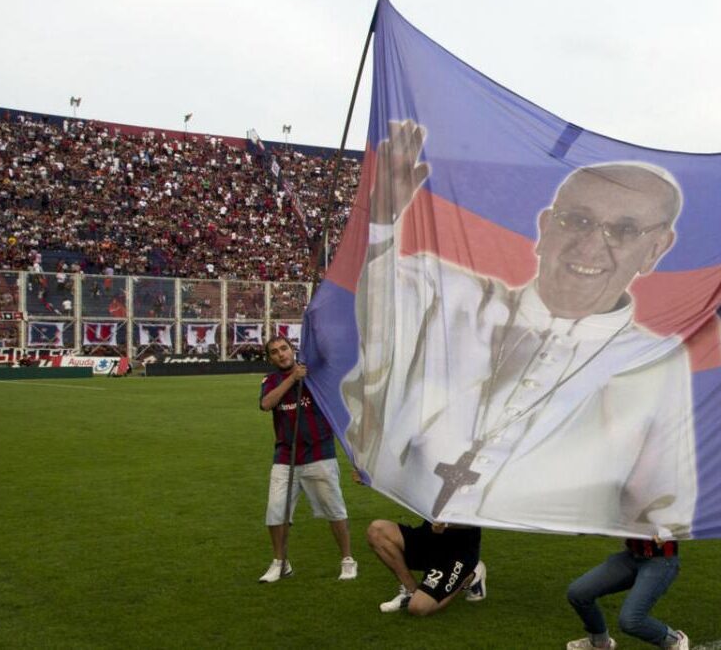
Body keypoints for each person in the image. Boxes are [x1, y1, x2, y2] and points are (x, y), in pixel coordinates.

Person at [341, 119, 697, 538]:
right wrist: (383, 222)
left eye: (624, 230)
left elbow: (661, 506)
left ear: (655, 250)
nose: (591, 246)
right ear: (545, 227)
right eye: (577, 221)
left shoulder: (655, 362)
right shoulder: (452, 296)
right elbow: (378, 314)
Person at [258, 335, 357, 583]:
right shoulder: (271, 380)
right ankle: (280, 563)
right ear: (270, 358)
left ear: (292, 350)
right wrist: (293, 379)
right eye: (275, 352)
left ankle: (347, 559)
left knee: (334, 510)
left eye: (284, 348)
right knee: (275, 512)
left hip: (319, 453)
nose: (281, 354)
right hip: (285, 457)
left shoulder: (315, 375)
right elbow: (267, 404)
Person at [566, 537, 688, 649]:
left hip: (661, 560)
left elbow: (681, 518)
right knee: (578, 593)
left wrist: (668, 531)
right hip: (631, 556)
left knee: (630, 621)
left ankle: (675, 641)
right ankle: (600, 643)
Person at [366, 516, 486, 616]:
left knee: (418, 607)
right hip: (429, 538)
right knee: (376, 530)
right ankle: (411, 591)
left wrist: (448, 524)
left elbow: (478, 517)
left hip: (457, 552)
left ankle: (471, 574)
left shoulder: (473, 489)